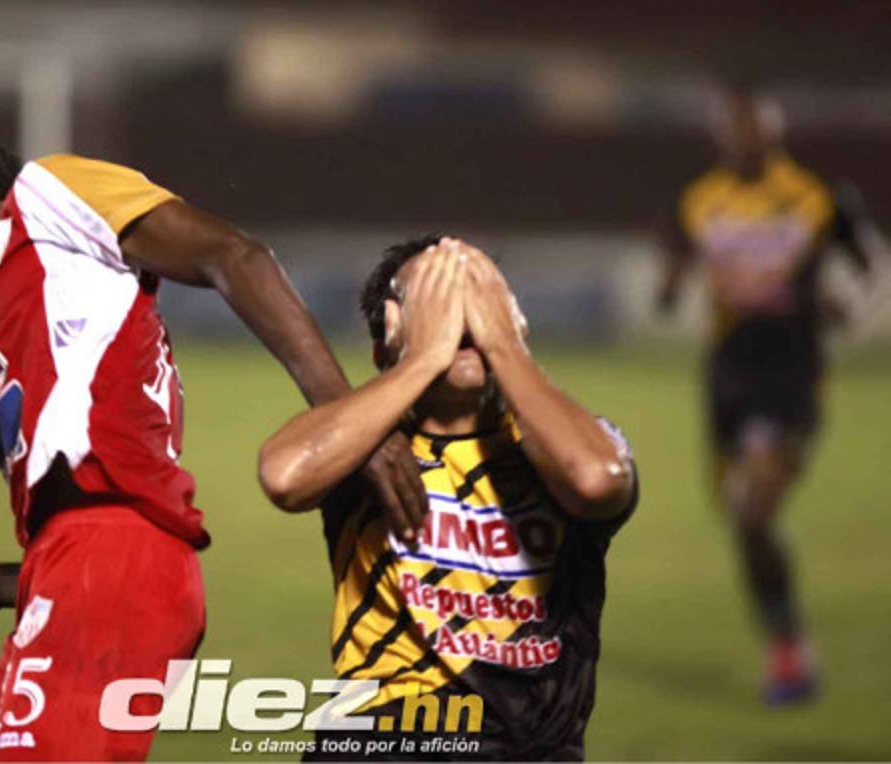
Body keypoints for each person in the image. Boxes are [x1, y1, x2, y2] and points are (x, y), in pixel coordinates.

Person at [0, 138, 427, 761]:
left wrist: (345, 421)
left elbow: (235, 256)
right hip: (79, 572)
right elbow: (93, 490)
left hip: (109, 568)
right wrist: (0, 582)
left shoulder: (44, 195)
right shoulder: (4, 335)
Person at [258, 236, 638, 760]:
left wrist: (506, 348)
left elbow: (597, 479)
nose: (460, 320)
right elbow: (284, 476)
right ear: (388, 336)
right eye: (438, 302)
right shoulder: (368, 449)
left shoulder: (562, 445)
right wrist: (423, 359)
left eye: (474, 299)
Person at [657, 85, 886, 705]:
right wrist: (674, 286)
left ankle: (789, 654)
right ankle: (786, 637)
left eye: (752, 128)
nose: (743, 139)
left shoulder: (814, 198)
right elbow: (671, 274)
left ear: (772, 132)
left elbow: (869, 268)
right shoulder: (702, 200)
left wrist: (844, 307)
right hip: (726, 375)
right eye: (733, 129)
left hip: (790, 372)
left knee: (755, 510)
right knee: (742, 520)